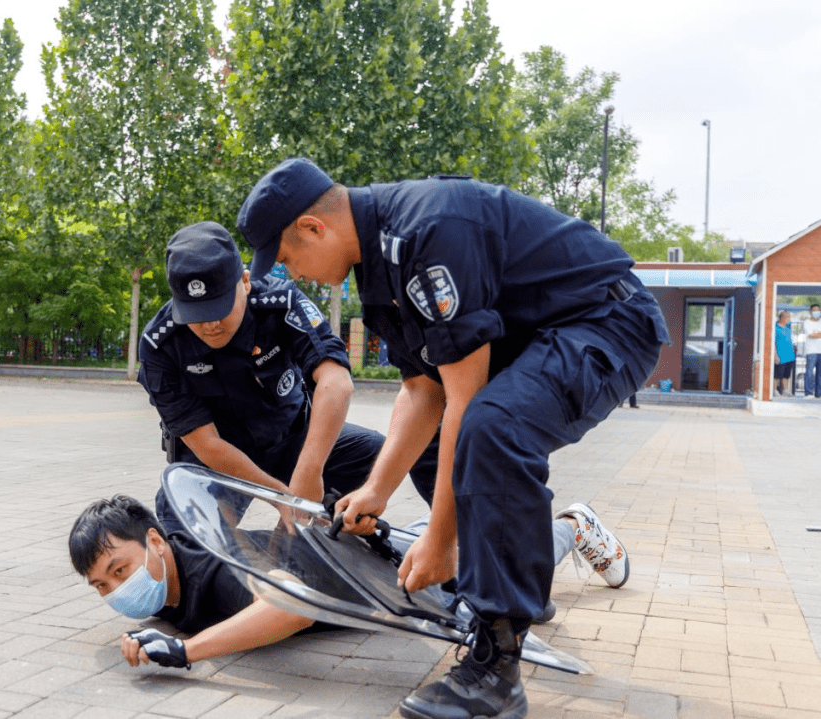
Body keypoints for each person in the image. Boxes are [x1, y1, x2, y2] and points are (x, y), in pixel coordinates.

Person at [238, 158, 668, 719]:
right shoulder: (376, 267)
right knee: (481, 427)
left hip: (610, 320)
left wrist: (441, 540)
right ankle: (515, 593)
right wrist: (376, 489)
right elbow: (424, 392)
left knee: (494, 426)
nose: (293, 274)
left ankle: (495, 668)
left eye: (289, 258)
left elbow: (464, 401)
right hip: (545, 334)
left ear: (314, 228)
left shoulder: (428, 232)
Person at [69, 495, 628, 671]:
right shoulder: (172, 581)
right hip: (361, 563)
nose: (118, 590)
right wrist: (150, 633)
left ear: (157, 543)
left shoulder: (217, 570)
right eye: (101, 586)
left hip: (390, 570)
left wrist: (187, 651)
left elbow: (293, 608)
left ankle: (571, 526)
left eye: (121, 570)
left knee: (500, 564)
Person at [137, 221, 418, 532]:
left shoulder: (279, 303)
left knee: (372, 456)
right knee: (185, 544)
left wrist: (310, 469)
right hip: (219, 461)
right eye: (196, 316)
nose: (210, 325)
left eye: (220, 309)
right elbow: (207, 444)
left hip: (290, 437)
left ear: (244, 282)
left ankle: (299, 543)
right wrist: (281, 496)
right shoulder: (159, 345)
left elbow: (336, 382)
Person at [774, 310, 795, 397]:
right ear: (782, 317)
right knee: (777, 374)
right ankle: (774, 390)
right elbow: (773, 342)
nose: (789, 319)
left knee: (786, 374)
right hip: (780, 355)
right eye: (788, 317)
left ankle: (785, 390)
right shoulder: (775, 327)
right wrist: (775, 354)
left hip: (790, 355)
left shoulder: (788, 327)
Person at [802, 304, 821, 398]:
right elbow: (810, 335)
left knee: (820, 374)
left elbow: (814, 335)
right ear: (810, 311)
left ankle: (819, 393)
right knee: (809, 372)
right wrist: (817, 334)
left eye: (818, 310)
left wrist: (815, 334)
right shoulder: (807, 322)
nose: (816, 312)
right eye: (814, 310)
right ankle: (808, 393)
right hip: (811, 351)